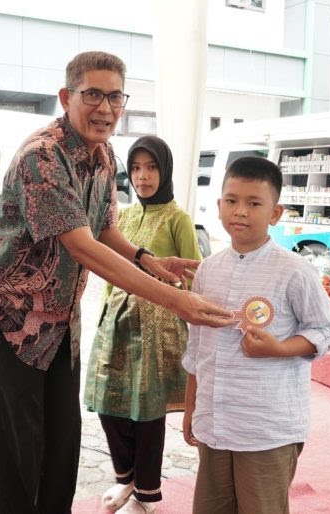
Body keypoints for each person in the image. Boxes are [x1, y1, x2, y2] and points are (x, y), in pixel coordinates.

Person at [0, 51, 231, 513]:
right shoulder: (43, 156)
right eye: (92, 94)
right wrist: (178, 303)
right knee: (20, 455)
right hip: (13, 324)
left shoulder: (102, 153)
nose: (105, 108)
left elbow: (104, 229)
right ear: (66, 96)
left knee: (61, 449)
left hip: (61, 326)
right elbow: (83, 247)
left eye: (115, 97)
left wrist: (149, 259)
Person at [182, 156, 330, 514]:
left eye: (254, 203)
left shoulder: (293, 270)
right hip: (216, 419)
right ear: (219, 204)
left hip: (266, 427)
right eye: (231, 200)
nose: (240, 211)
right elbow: (197, 346)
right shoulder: (208, 270)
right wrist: (192, 405)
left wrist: (280, 348)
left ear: (275, 212)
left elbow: (327, 329)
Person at [84, 135, 200, 514]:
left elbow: (195, 276)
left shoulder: (179, 219)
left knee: (146, 413)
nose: (143, 176)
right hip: (116, 324)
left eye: (151, 167)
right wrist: (105, 313)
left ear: (164, 171)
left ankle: (146, 494)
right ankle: (126, 477)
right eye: (136, 168)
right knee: (107, 403)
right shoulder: (124, 216)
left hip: (157, 330)